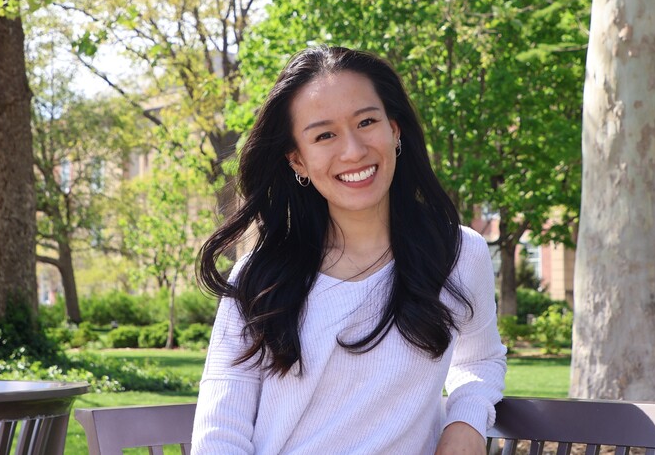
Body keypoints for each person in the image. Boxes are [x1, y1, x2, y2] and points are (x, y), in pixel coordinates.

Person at [192, 46, 506, 454]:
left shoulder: (458, 254)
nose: (354, 150)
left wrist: (466, 421)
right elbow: (220, 433)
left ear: (395, 131)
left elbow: (481, 361)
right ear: (297, 160)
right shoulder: (260, 277)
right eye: (324, 135)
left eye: (367, 122)